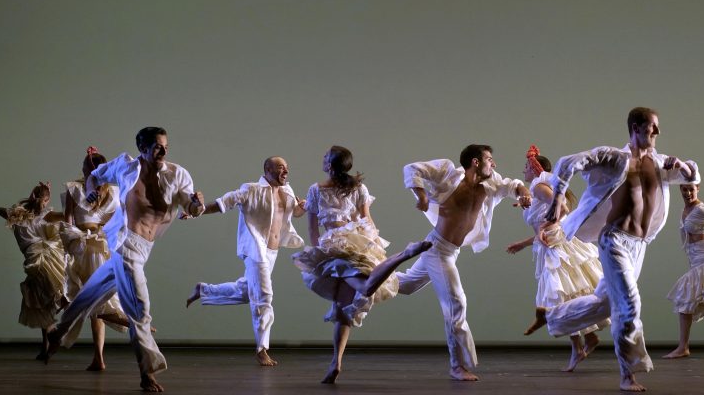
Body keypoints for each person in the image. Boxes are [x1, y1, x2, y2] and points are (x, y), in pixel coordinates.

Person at [524, 107, 699, 391]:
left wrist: (683, 166)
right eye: (653, 127)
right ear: (636, 127)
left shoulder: (658, 162)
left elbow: (692, 175)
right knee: (629, 304)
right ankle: (627, 374)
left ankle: (552, 315)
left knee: (604, 303)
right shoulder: (615, 158)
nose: (657, 132)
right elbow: (568, 162)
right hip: (614, 240)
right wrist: (557, 198)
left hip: (639, 246)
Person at [45, 127, 206, 392]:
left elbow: (189, 206)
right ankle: (147, 372)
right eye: (156, 147)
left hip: (145, 248)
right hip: (125, 245)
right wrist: (91, 192)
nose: (163, 151)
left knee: (88, 295)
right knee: (140, 310)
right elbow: (93, 177)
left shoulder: (178, 174)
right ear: (142, 149)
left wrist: (197, 204)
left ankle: (57, 333)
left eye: (165, 146)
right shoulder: (125, 166)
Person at [291, 145, 431, 384]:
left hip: (342, 246)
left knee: (364, 290)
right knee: (343, 309)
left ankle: (403, 255)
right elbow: (365, 219)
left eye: (325, 157)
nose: (323, 159)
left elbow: (314, 228)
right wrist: (323, 255)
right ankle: (336, 363)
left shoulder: (325, 189)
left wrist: (321, 252)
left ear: (329, 165)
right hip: (344, 246)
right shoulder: (343, 188)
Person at [397, 144, 532, 381]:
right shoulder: (449, 173)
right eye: (490, 159)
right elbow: (412, 168)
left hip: (450, 251)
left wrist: (524, 193)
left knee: (405, 285)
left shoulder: (490, 183)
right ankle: (457, 365)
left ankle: (363, 276)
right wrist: (420, 195)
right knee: (456, 302)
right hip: (437, 248)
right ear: (476, 162)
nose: (494, 163)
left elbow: (512, 185)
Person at [186, 156, 306, 366]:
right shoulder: (251, 189)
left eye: (287, 167)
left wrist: (301, 208)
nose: (285, 171)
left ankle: (204, 290)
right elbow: (224, 202)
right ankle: (262, 348)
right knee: (264, 297)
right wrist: (197, 211)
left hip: (273, 252)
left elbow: (294, 213)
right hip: (255, 249)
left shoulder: (287, 190)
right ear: (267, 170)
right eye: (280, 167)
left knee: (247, 291)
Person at [506, 145, 608, 372]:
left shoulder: (540, 186)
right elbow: (542, 227)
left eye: (526, 167)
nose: (524, 171)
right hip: (552, 247)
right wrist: (522, 244)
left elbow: (561, 209)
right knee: (570, 293)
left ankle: (577, 348)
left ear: (535, 169)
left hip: (559, 249)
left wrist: (545, 225)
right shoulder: (536, 192)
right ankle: (588, 339)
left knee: (561, 295)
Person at [59, 146, 129, 371]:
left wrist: (104, 234)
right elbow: (68, 220)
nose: (82, 171)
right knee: (78, 294)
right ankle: (97, 354)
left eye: (85, 167)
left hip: (97, 246)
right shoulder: (75, 188)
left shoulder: (113, 192)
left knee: (93, 297)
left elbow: (116, 219)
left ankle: (100, 354)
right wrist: (70, 240)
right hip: (81, 244)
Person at [0, 181, 66, 359]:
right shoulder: (45, 215)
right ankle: (48, 343)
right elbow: (67, 215)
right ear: (47, 200)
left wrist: (26, 203)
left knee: (43, 301)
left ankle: (50, 341)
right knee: (45, 302)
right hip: (44, 262)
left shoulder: (18, 216)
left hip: (38, 263)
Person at [662, 183, 704, 359]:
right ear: (681, 190)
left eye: (692, 189)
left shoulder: (702, 209)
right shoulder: (686, 210)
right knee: (686, 302)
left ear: (698, 188)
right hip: (695, 260)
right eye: (685, 189)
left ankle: (683, 347)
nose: (688, 192)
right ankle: (683, 347)